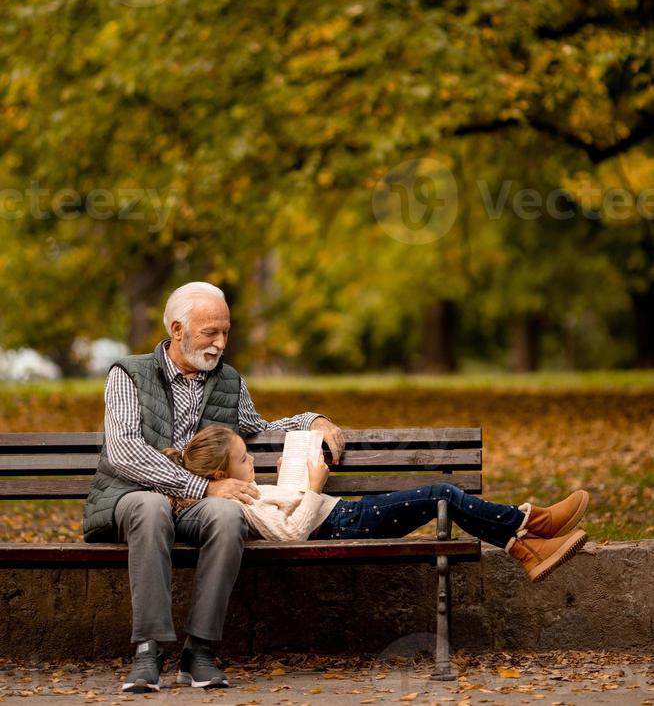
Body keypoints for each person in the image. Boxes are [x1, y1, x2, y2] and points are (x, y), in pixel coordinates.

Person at [82, 282, 344, 695]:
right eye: (210, 333)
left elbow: (257, 428)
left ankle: (199, 649)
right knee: (152, 508)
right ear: (177, 329)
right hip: (131, 497)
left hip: (196, 505)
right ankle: (148, 650)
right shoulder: (128, 374)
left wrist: (312, 419)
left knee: (227, 513)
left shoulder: (228, 381)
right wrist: (201, 486)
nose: (221, 343)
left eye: (226, 332)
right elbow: (124, 451)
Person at [165, 425, 589, 586]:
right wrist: (313, 484)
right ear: (219, 477)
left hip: (345, 516)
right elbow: (291, 533)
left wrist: (285, 481)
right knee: (440, 493)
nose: (251, 460)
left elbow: (286, 512)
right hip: (342, 525)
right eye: (243, 460)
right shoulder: (238, 506)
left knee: (439, 494)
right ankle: (530, 527)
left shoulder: (245, 492)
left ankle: (528, 543)